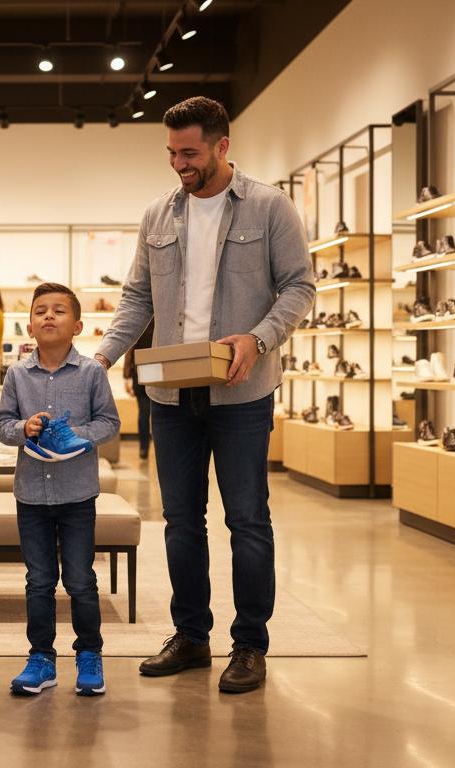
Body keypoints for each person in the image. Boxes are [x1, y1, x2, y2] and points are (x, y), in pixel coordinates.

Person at [94, 96, 314, 694]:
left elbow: (299, 287)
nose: (178, 164)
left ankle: (250, 645)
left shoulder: (269, 207)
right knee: (181, 522)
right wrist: (101, 359)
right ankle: (191, 636)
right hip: (170, 395)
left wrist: (259, 337)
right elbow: (137, 299)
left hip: (242, 394)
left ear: (222, 146)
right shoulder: (157, 215)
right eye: (171, 152)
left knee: (247, 521)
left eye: (189, 152)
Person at [0, 282, 120, 697]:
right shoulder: (16, 373)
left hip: (78, 493)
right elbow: (2, 423)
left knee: (81, 579)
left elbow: (109, 422)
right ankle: (41, 658)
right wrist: (22, 428)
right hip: (31, 494)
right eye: (41, 311)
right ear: (29, 325)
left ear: (78, 325)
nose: (49, 316)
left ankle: (89, 654)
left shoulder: (92, 373)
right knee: (39, 579)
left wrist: (76, 436)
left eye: (59, 311)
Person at [122, 321, 156, 460]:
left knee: (144, 412)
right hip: (158, 371)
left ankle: (144, 448)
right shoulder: (160, 322)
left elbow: (129, 352)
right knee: (158, 413)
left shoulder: (139, 324)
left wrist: (126, 377)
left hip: (141, 372)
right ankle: (155, 448)